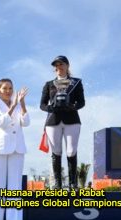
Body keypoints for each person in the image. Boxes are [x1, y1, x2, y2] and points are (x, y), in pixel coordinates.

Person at [40, 55, 85, 190]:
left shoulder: (76, 82)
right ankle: (58, 184)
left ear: (67, 66)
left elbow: (82, 102)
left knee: (71, 151)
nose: (59, 67)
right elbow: (42, 104)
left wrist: (72, 106)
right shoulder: (49, 84)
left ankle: (73, 183)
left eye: (61, 64)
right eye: (56, 65)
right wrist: (50, 108)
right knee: (56, 151)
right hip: (53, 120)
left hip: (72, 119)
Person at [0, 79, 29, 220]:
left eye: (10, 88)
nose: (8, 91)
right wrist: (13, 106)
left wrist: (22, 104)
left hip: (17, 149)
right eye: (5, 88)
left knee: (15, 190)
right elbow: (0, 123)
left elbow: (26, 122)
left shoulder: (18, 105)